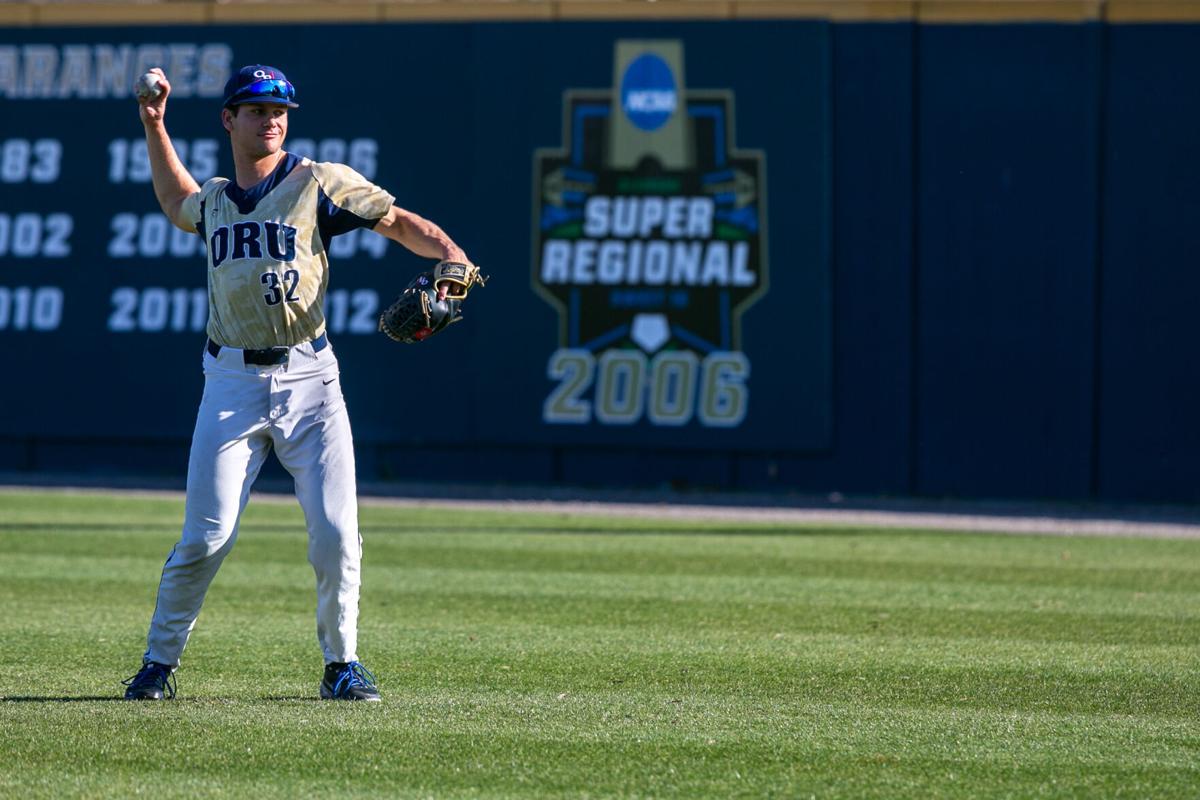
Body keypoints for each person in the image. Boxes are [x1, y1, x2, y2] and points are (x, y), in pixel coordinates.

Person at [121, 64, 471, 702]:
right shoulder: (220, 198)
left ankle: (342, 664)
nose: (272, 119)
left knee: (336, 533)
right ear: (230, 120)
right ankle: (157, 663)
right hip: (229, 381)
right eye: (256, 109)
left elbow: (396, 222)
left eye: (280, 109)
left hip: (311, 376)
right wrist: (155, 123)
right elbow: (177, 204)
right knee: (206, 535)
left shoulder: (318, 182)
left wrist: (451, 256)